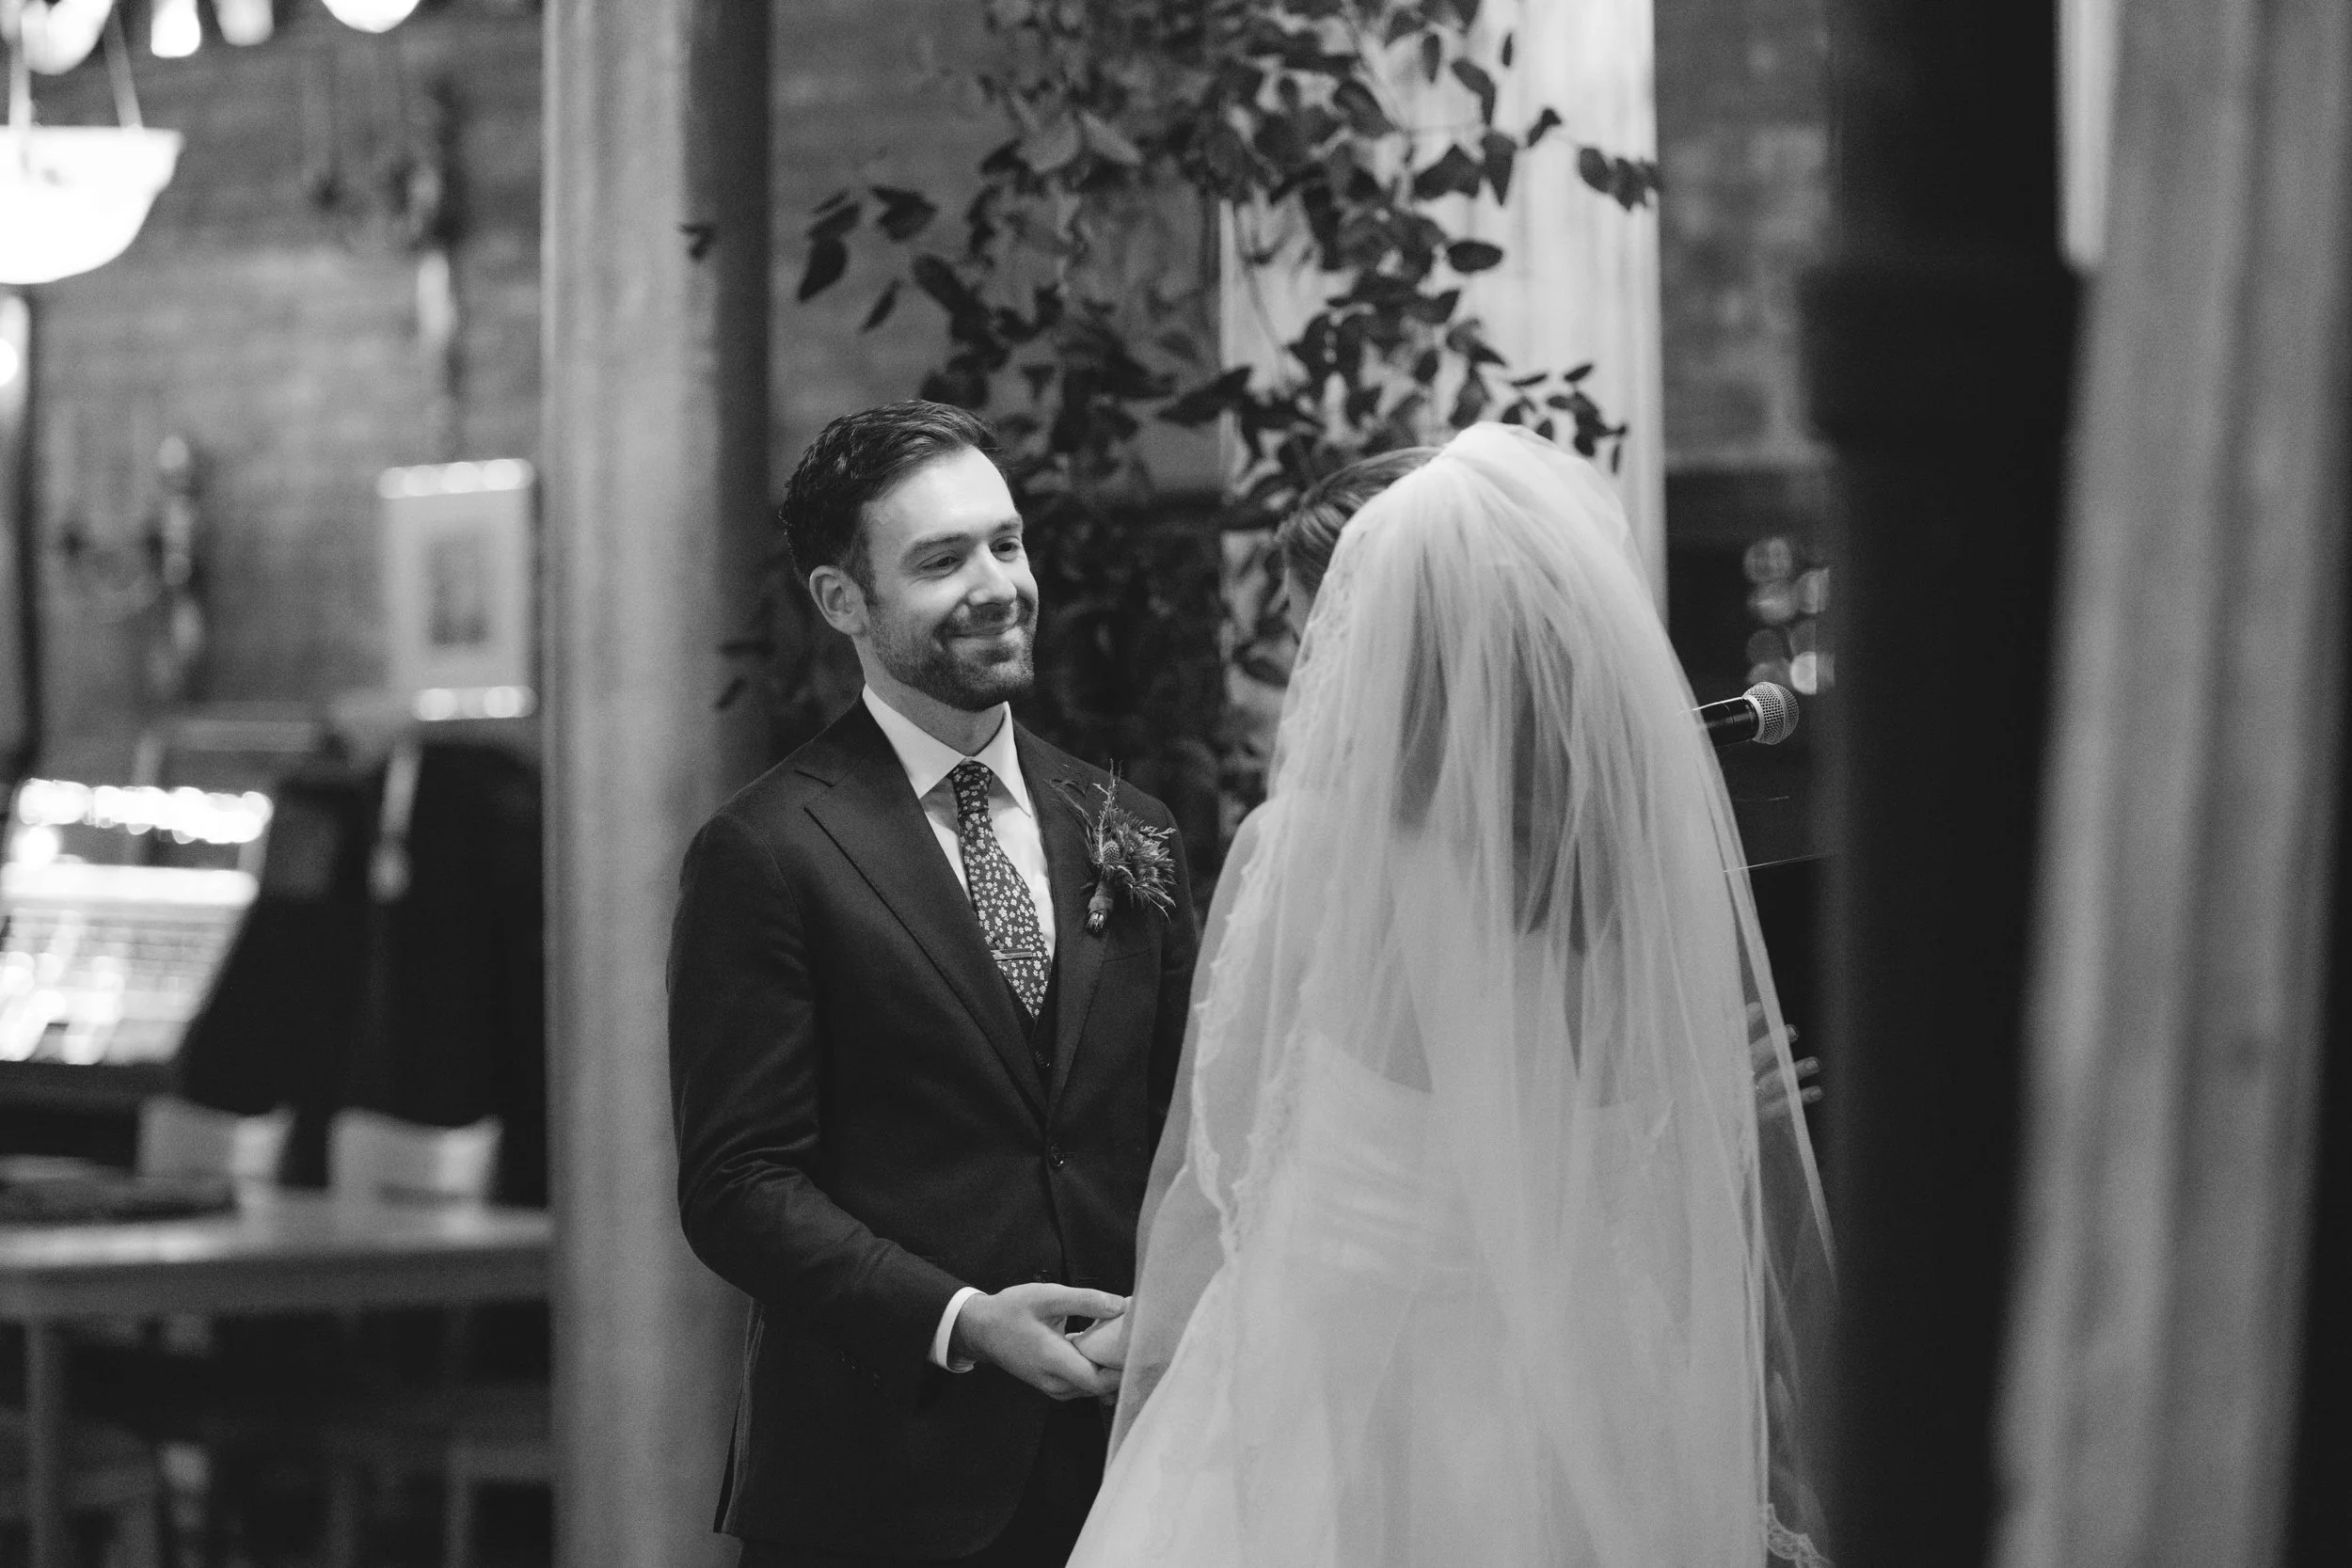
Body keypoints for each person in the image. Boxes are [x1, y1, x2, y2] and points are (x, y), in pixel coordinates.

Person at [1065, 424, 1836, 1567]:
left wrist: (1151, 1370)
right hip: (1557, 1423)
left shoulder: (1304, 851)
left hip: (1318, 1417)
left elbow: (1212, 1176)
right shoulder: (1622, 869)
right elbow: (1624, 1198)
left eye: (1318, 632)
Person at [668, 400, 1200, 1567]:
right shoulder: (768, 850)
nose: (998, 582)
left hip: (1129, 1470)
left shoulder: (1129, 823)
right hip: (879, 1489)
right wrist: (961, 1321)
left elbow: (1182, 1120)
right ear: (841, 601)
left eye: (1006, 542)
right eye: (942, 558)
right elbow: (738, 1183)